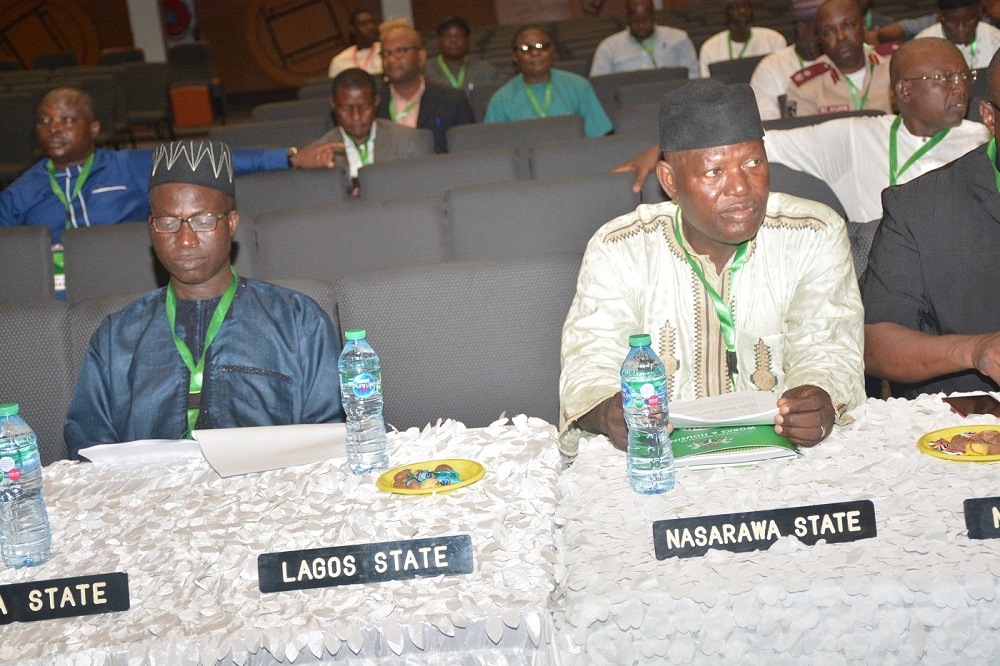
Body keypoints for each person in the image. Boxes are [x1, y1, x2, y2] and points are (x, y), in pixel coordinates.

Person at [558, 80, 865, 457]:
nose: (740, 187)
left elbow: (828, 346)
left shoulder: (812, 233)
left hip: (784, 458)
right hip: (661, 461)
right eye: (714, 172)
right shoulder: (621, 247)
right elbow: (590, 362)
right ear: (670, 181)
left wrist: (819, 396)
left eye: (753, 163)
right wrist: (608, 412)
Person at [64, 139, 344, 459]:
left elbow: (326, 441)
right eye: (168, 222)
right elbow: (87, 450)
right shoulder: (117, 337)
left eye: (203, 220)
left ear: (232, 223)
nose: (184, 240)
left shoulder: (298, 321)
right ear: (151, 228)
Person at [0, 88, 339, 295]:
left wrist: (290, 157)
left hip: (125, 282)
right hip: (55, 294)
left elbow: (210, 160)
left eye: (66, 120)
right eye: (44, 122)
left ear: (94, 128)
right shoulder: (19, 192)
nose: (53, 129)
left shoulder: (127, 166)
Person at [862, 49, 1000, 397]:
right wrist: (975, 351)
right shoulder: (918, 208)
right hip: (964, 429)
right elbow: (876, 346)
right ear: (990, 118)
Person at [764, 37, 989, 221]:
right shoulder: (856, 138)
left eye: (964, 76)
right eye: (945, 78)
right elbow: (767, 143)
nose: (961, 88)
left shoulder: (984, 141)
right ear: (905, 90)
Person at [308, 68, 432, 197]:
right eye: (346, 108)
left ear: (376, 102)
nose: (356, 117)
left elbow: (424, 191)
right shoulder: (318, 154)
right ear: (333, 104)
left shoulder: (407, 141)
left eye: (364, 107)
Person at [485, 26, 613, 138]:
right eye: (525, 49)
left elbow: (600, 138)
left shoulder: (579, 86)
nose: (535, 53)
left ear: (552, 51)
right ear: (514, 56)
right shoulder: (500, 100)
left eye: (542, 47)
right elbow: (494, 147)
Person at [375, 22, 475, 153]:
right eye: (386, 53)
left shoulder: (452, 100)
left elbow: (470, 151)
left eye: (401, 51)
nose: (392, 59)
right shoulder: (373, 104)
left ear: (421, 57)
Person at [785, 0, 893, 117]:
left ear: (864, 26)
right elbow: (801, 133)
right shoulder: (805, 87)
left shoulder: (894, 64)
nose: (840, 36)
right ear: (820, 40)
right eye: (829, 32)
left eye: (847, 26)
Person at [749, 0, 824, 120]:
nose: (825, 39)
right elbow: (769, 125)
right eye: (819, 32)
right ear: (802, 29)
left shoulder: (844, 62)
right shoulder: (771, 68)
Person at [589, 0, 699, 78]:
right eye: (636, 21)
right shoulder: (609, 47)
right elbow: (600, 88)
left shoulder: (679, 39)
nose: (641, 26)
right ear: (627, 19)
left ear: (654, 16)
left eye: (646, 20)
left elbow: (694, 76)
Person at [698, 0, 787, 78]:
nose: (742, 11)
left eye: (746, 6)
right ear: (726, 13)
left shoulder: (774, 40)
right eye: (735, 7)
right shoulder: (710, 48)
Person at [424, 16, 503, 95]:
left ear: (468, 40)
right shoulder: (424, 71)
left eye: (459, 36)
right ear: (438, 41)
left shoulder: (487, 72)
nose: (453, 41)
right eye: (447, 36)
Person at [915, 0, 1000, 69]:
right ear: (940, 16)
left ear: (979, 13)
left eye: (969, 20)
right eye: (952, 21)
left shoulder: (996, 39)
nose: (961, 28)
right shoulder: (920, 48)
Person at [328, 10, 382, 78]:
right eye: (364, 24)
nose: (370, 27)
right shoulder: (339, 61)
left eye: (372, 22)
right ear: (353, 29)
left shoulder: (386, 50)